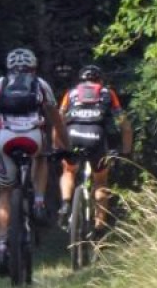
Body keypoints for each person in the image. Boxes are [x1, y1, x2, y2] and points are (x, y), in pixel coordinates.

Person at [0, 47, 70, 276]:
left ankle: (2, 247)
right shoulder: (40, 84)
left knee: (5, 193)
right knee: (41, 157)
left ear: (9, 67)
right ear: (33, 67)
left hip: (4, 139)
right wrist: (65, 148)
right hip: (33, 137)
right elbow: (56, 121)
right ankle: (38, 200)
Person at [57, 64, 133, 237]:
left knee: (68, 171)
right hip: (96, 137)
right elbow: (125, 125)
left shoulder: (71, 93)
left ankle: (66, 203)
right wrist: (126, 152)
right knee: (100, 181)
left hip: (73, 134)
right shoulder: (108, 93)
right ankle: (99, 227)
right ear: (100, 80)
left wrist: (57, 147)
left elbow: (59, 120)